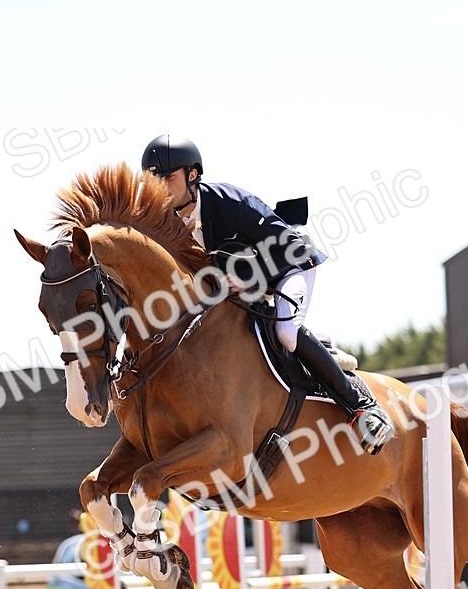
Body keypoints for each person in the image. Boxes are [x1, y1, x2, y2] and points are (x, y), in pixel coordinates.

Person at [140, 134, 394, 456]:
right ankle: (320, 347)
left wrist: (247, 277)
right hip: (241, 287)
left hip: (290, 265)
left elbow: (287, 245)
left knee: (285, 330)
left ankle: (363, 408)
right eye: (153, 179)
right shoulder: (164, 221)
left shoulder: (230, 204)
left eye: (169, 177)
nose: (160, 187)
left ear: (193, 175)